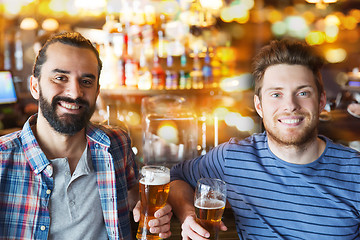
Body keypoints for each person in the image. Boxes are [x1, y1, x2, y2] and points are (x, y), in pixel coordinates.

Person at [168, 39, 360, 239]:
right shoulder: (232, 158)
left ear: (321, 101)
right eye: (276, 94)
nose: (290, 105)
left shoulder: (355, 171)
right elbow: (176, 178)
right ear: (259, 106)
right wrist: (188, 215)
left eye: (303, 92)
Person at [0, 32, 172, 240]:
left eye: (86, 81)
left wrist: (153, 210)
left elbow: (132, 193)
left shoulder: (116, 143)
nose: (74, 93)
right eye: (60, 78)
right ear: (35, 86)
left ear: (97, 91)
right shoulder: (3, 159)